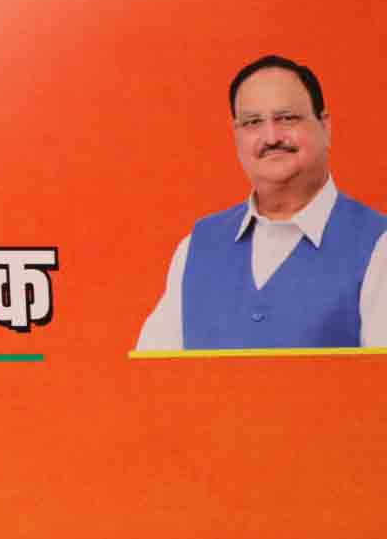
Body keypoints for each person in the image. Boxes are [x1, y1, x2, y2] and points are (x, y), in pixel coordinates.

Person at [137, 54, 387, 350]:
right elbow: (153, 381)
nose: (271, 137)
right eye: (252, 122)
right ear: (236, 136)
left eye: (287, 118)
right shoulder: (196, 247)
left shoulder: (378, 245)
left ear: (325, 126)